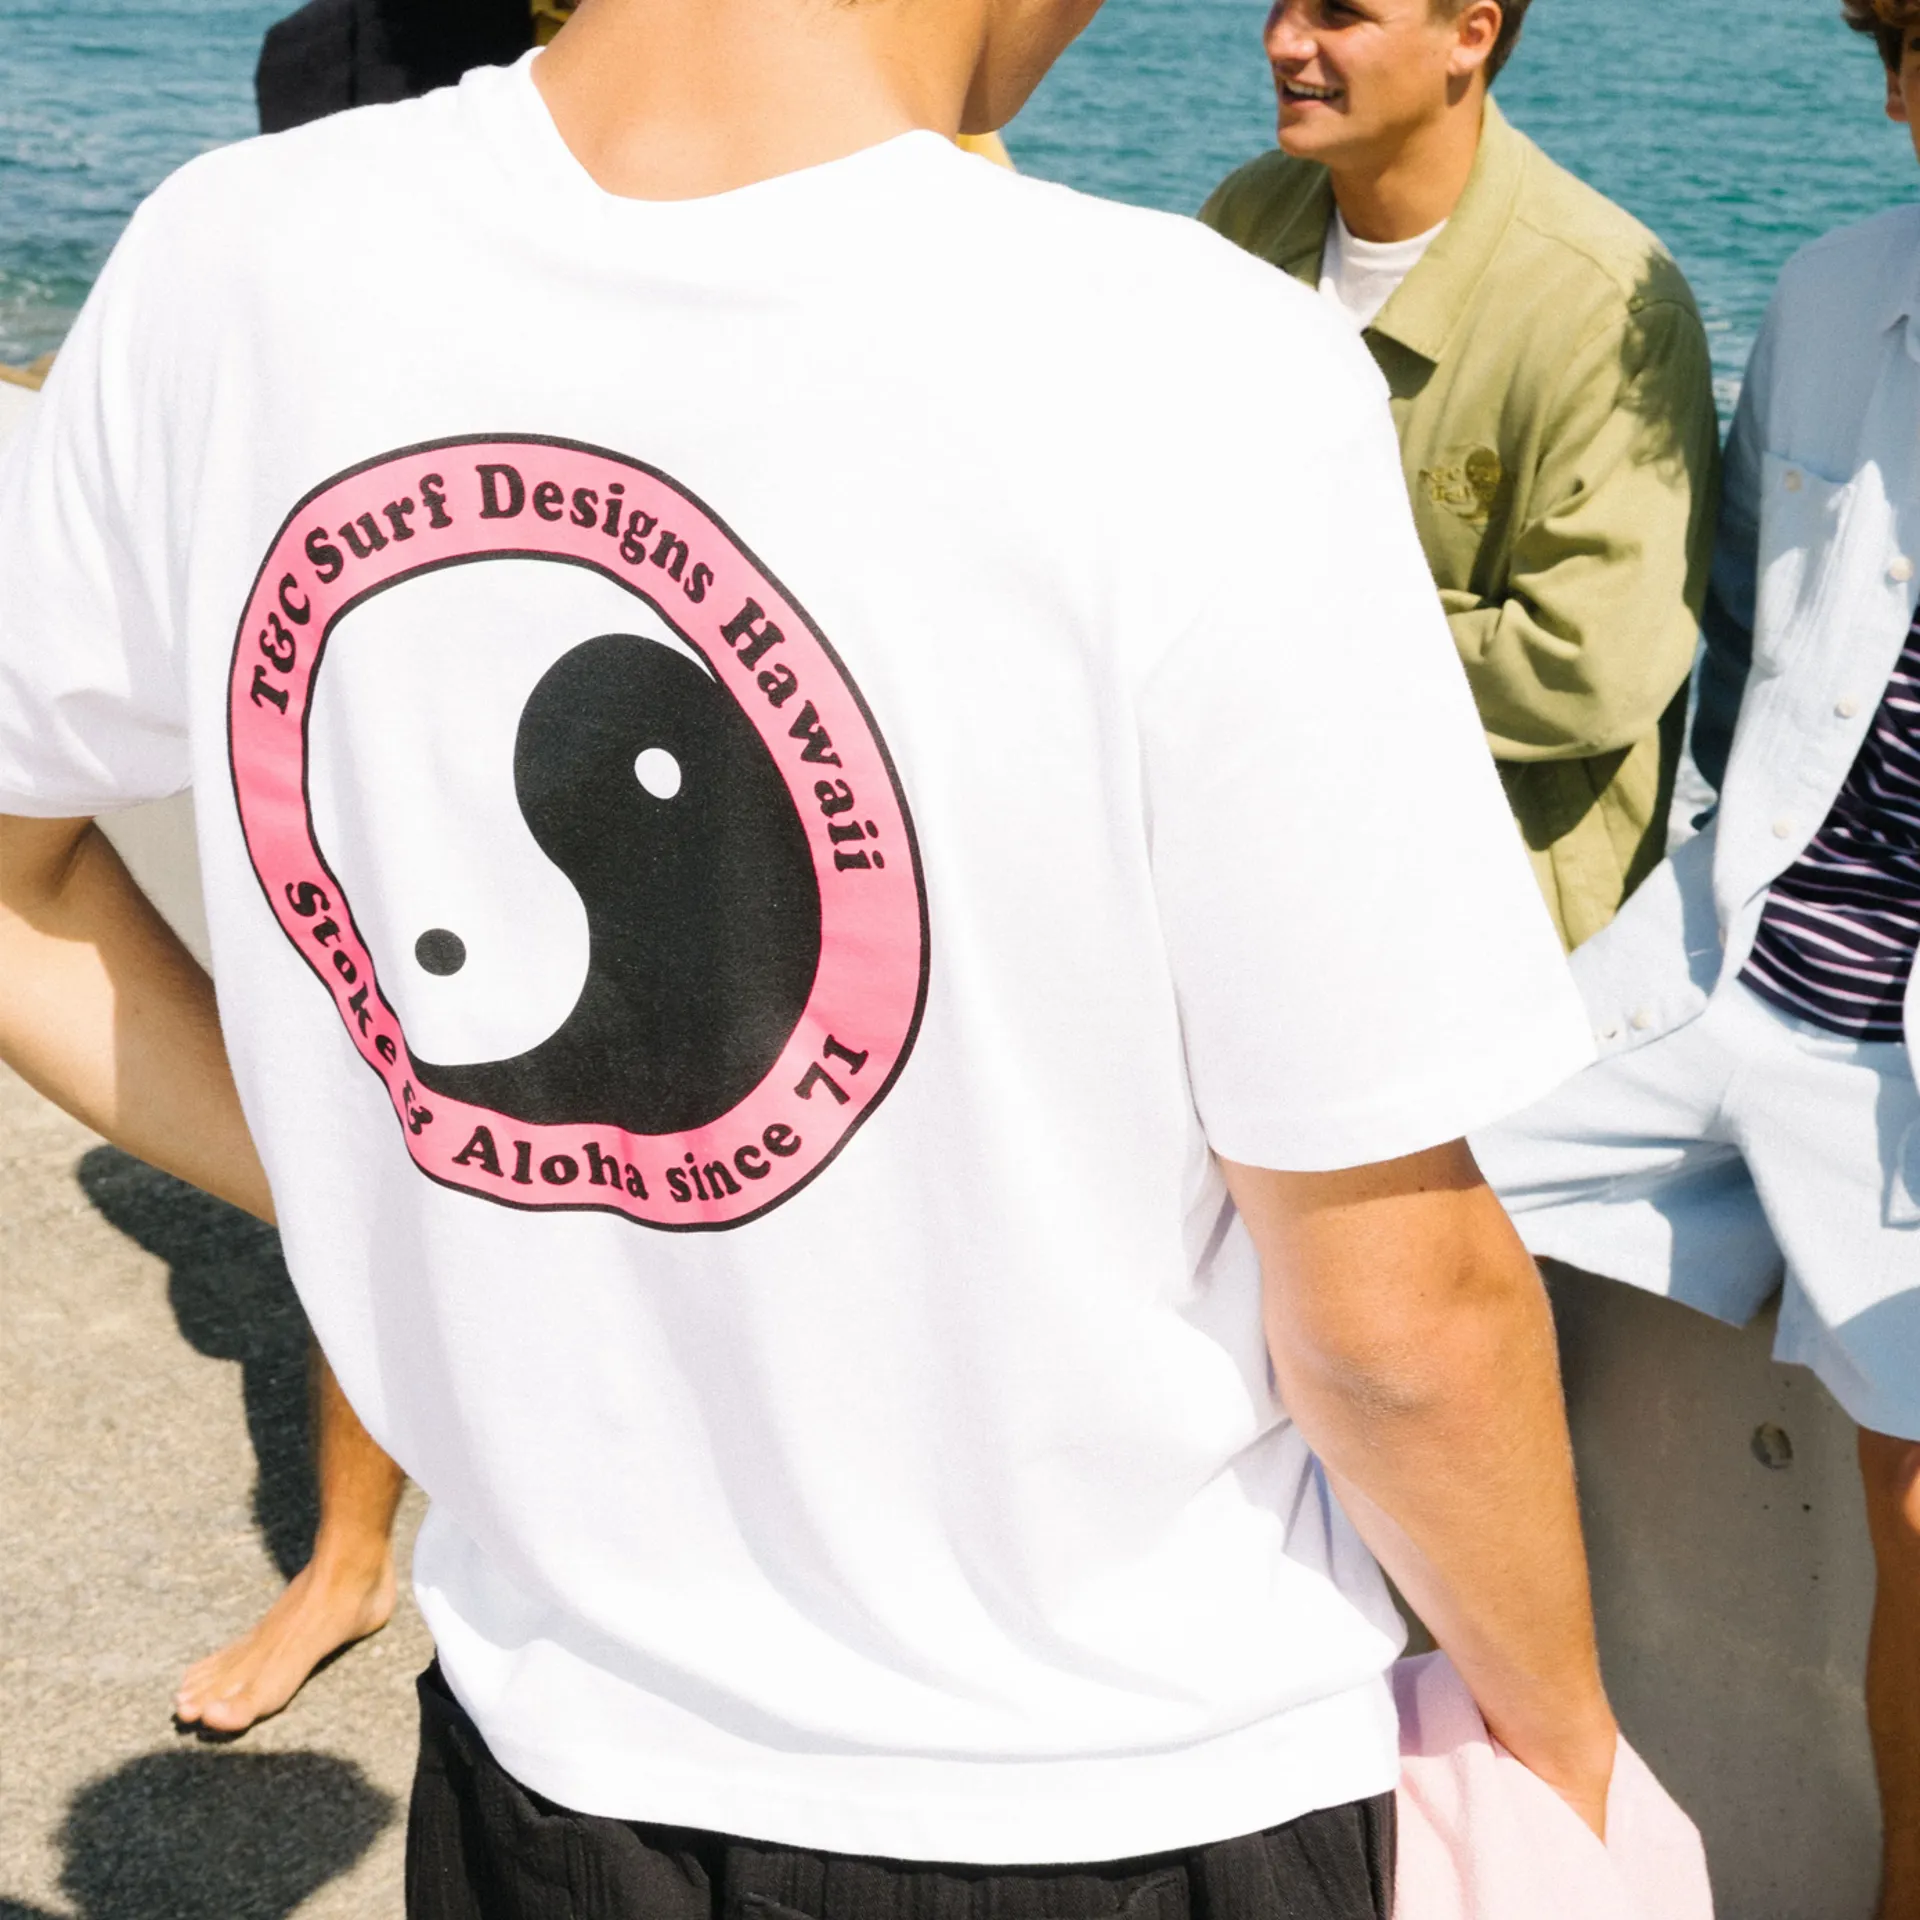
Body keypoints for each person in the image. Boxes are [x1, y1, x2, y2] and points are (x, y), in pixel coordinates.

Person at [0, 0, 1620, 1909]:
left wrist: (439, 1179)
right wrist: (1569, 1746)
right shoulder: (1193, 365)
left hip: (547, 1773)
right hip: (1119, 1790)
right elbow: (1399, 1315)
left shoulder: (233, 259)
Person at [171, 0, 1003, 1740]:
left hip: (679, 505)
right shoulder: (327, 95)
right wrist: (337, 1156)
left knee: (718, 1066)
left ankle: (739, 1504)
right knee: (421, 1057)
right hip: (453, 526)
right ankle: (349, 1552)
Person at [1474, 5, 1920, 1913]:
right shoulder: (1830, 292)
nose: (1897, 102)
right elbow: (1738, 650)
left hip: (1905, 1076)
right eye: (1895, 54)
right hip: (1732, 954)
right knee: (1375, 1230)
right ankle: (1483, 1799)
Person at [1199, 0, 1719, 951]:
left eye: (1339, 13)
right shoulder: (1245, 219)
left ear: (1471, 36)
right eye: (1280, 3)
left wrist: (1269, 631)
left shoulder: (1609, 310)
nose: (1283, 40)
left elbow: (1586, 671)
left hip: (1491, 928)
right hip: (1255, 875)